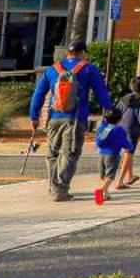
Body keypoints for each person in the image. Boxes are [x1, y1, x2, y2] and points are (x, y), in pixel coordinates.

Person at [28, 41, 113, 203]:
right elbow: (101, 92)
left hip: (54, 118)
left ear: (67, 53)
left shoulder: (53, 69)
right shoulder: (88, 68)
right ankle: (59, 189)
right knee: (70, 153)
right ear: (82, 53)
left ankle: (53, 186)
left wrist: (34, 116)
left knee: (53, 154)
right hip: (75, 119)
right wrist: (108, 108)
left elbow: (38, 94)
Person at [93, 107, 133, 206]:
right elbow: (125, 143)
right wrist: (130, 146)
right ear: (120, 119)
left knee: (103, 175)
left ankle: (105, 194)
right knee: (110, 176)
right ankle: (101, 190)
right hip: (113, 154)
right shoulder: (118, 130)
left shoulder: (102, 127)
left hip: (101, 154)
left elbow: (98, 140)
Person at [118, 75, 140, 188]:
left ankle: (130, 176)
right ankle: (120, 181)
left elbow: (117, 111)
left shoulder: (124, 98)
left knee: (128, 152)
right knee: (128, 153)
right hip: (133, 129)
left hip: (121, 127)